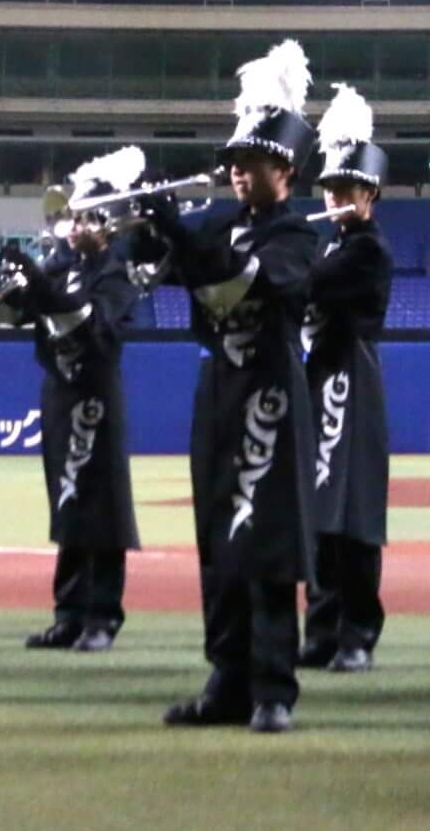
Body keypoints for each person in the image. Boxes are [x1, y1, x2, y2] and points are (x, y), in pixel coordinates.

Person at [134, 41, 320, 734]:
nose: (239, 174)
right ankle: (227, 677)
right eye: (235, 164)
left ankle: (274, 685)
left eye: (253, 164)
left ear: (287, 168)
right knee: (218, 536)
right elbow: (161, 267)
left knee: (267, 540)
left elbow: (254, 281)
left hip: (270, 386)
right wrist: (157, 224)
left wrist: (185, 237)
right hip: (219, 390)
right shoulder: (220, 222)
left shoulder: (298, 233)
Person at [13, 145, 143, 654]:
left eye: (89, 216)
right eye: (76, 214)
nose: (77, 223)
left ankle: (103, 615)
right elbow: (22, 315)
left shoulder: (115, 275)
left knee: (102, 503)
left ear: (109, 224)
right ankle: (69, 612)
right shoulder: (63, 266)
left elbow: (91, 326)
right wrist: (24, 287)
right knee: (67, 500)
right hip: (60, 390)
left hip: (96, 395)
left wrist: (43, 289)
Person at [299, 83, 394, 674]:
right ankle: (322, 626)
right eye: (331, 187)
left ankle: (357, 631)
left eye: (347, 189)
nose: (336, 197)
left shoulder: (368, 250)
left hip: (351, 379)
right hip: (319, 376)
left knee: (353, 509)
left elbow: (311, 287)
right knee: (318, 508)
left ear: (369, 194)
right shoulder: (327, 247)